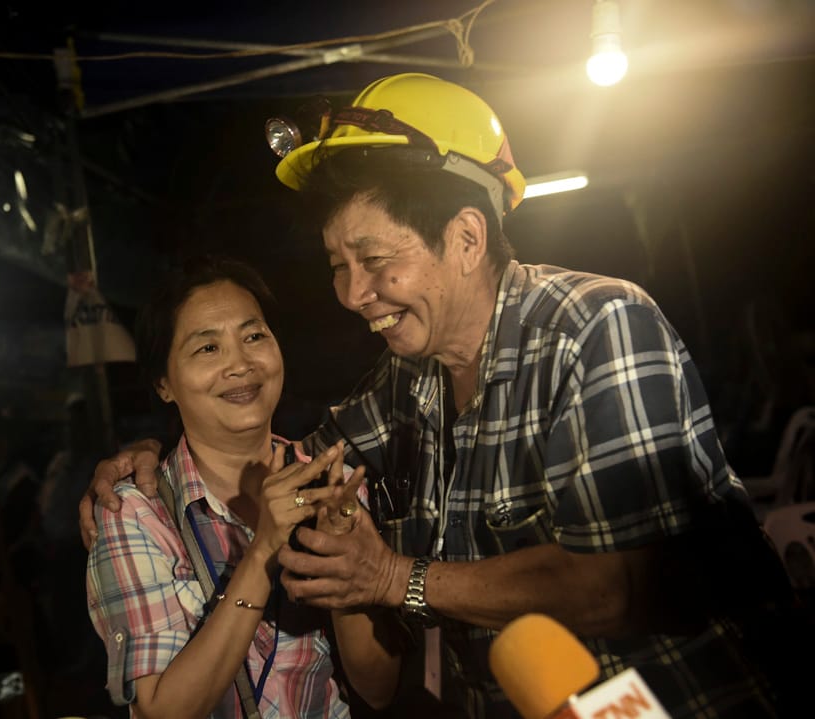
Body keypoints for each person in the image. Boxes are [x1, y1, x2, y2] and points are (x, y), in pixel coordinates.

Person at [81, 74, 801, 717]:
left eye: (375, 261)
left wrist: (397, 577)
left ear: (464, 236)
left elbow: (614, 585)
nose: (354, 295)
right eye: (339, 265)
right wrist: (142, 455)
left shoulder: (594, 327)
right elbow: (273, 442)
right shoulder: (407, 381)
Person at [85, 255, 400, 718]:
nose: (240, 364)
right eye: (207, 349)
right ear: (164, 384)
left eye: (254, 336)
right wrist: (263, 549)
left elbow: (378, 688)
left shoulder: (329, 484)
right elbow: (162, 712)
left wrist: (343, 571)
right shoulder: (135, 514)